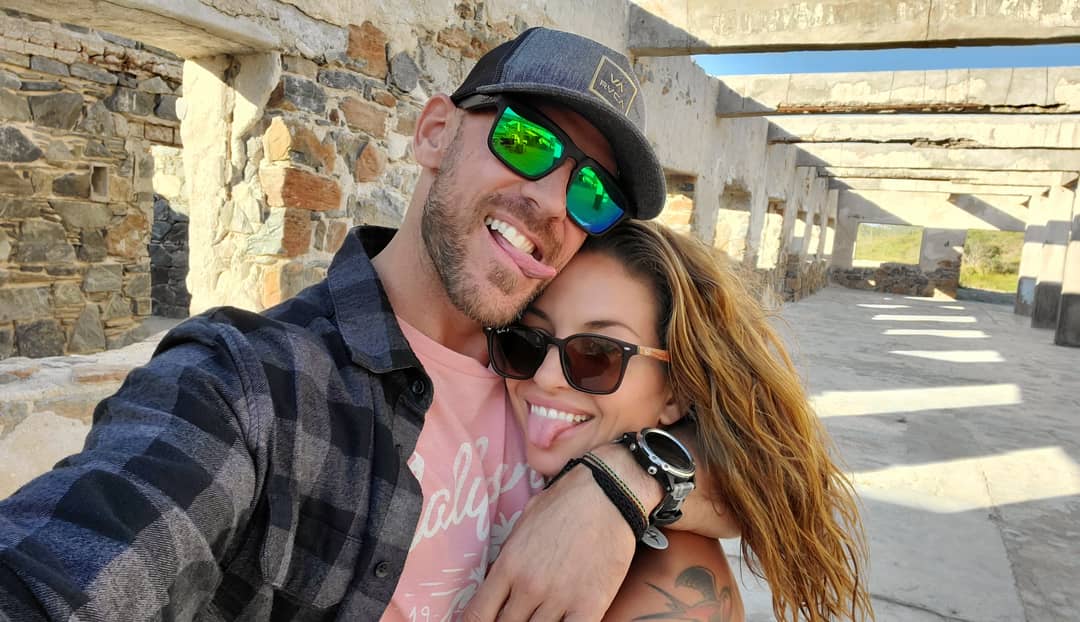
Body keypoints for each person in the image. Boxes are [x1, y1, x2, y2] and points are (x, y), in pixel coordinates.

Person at [0, 27, 726, 621]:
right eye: (526, 141)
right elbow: (65, 571)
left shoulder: (559, 375)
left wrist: (624, 481)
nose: (554, 203)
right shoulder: (251, 386)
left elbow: (763, 465)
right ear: (435, 133)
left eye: (594, 193)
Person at [487, 221, 876, 621]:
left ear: (674, 394)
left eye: (597, 354)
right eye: (528, 340)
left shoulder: (665, 591)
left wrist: (618, 483)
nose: (545, 376)